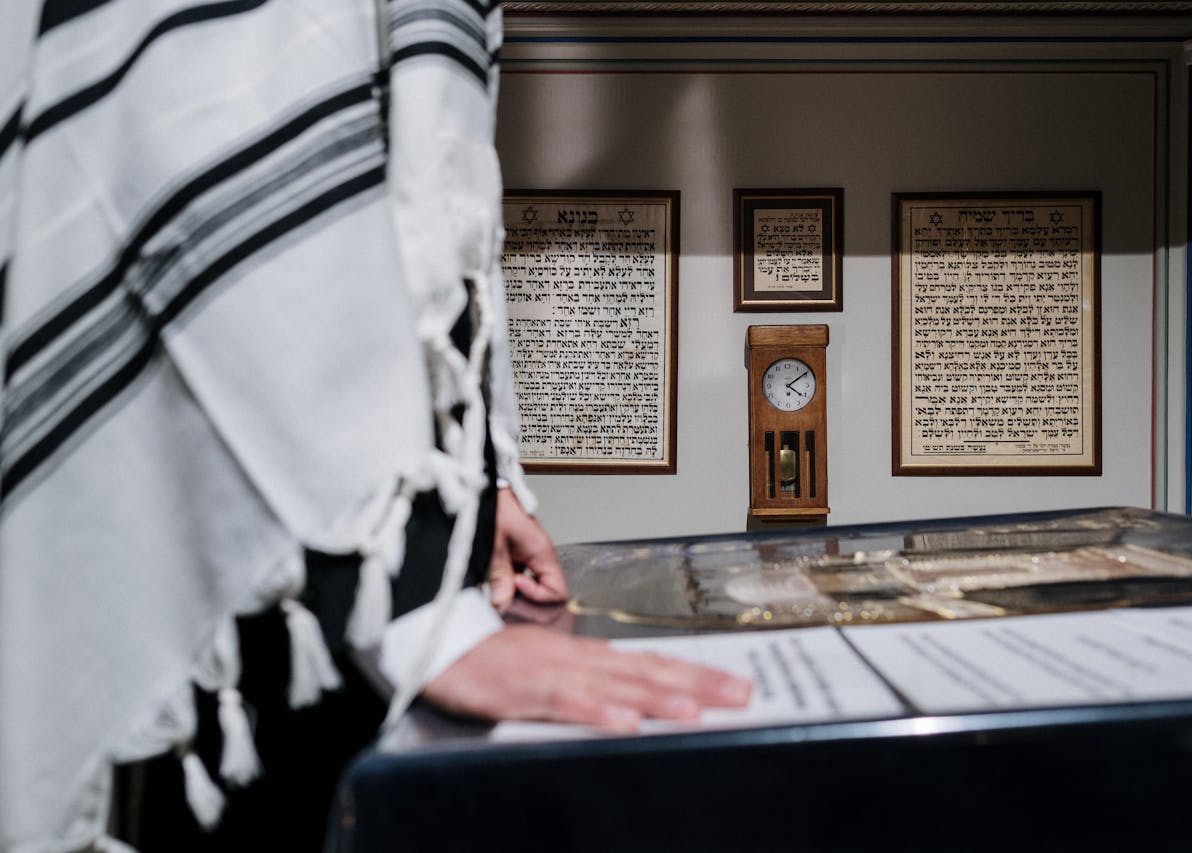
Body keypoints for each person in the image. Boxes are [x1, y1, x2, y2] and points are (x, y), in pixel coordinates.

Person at [0, 1, 750, 851]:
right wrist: (413, 603)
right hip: (276, 581)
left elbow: (408, 209)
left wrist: (466, 480)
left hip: (356, 556)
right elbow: (210, 171)